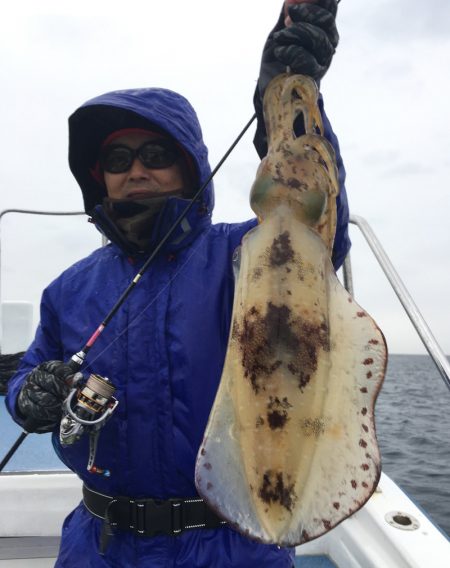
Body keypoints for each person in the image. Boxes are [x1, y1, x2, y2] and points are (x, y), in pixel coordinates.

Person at [6, 1, 349, 566]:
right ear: (100, 178)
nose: (136, 170)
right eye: (117, 158)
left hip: (233, 541)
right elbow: (26, 374)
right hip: (101, 544)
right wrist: (29, 395)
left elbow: (314, 224)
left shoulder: (245, 254)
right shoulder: (68, 288)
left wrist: (287, 98)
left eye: (156, 154)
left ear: (190, 166)